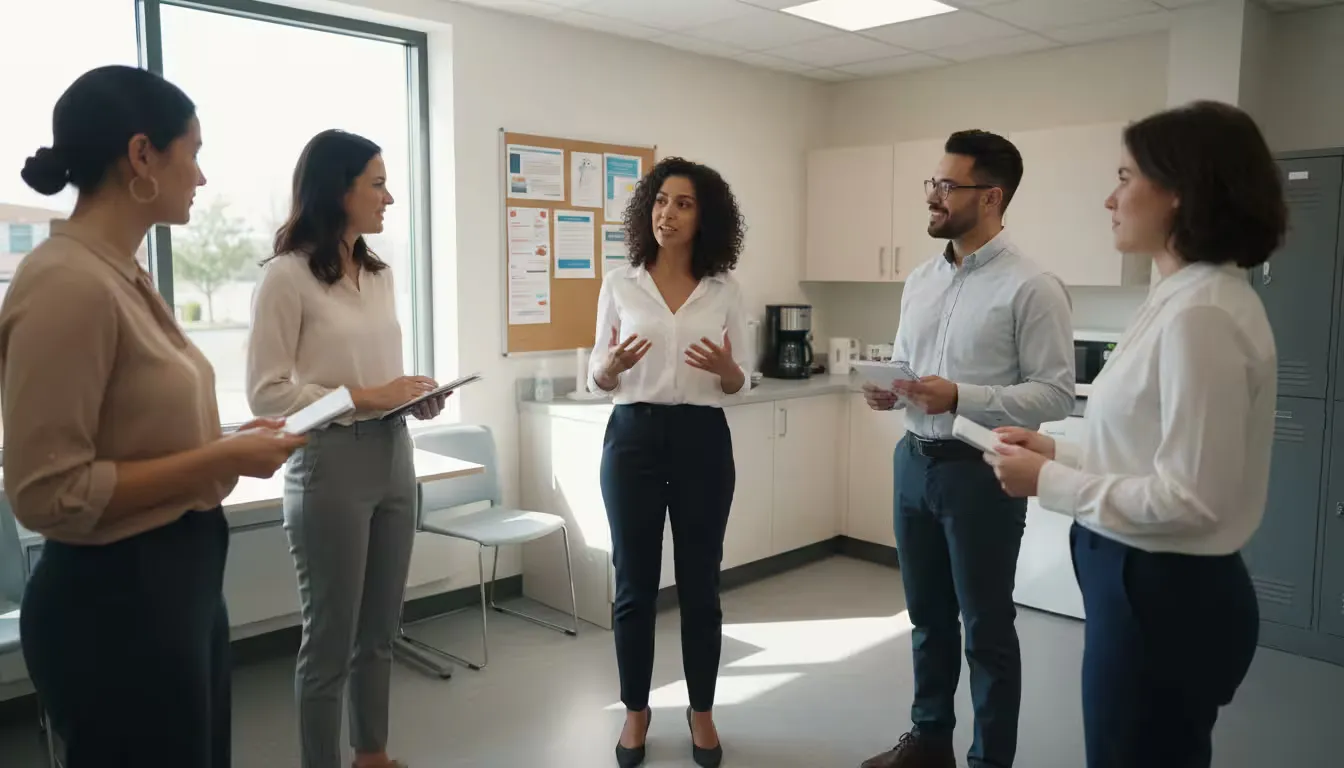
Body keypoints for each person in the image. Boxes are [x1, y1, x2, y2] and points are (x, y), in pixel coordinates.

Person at [0, 65, 306, 767]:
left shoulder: (122, 273)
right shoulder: (65, 283)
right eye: (192, 152)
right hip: (115, 606)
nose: (200, 176)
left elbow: (134, 432)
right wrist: (221, 460)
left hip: (174, 584)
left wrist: (228, 439)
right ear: (142, 155)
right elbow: (50, 491)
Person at [988, 101, 1285, 768]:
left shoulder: (1201, 315)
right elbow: (1150, 448)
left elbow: (1191, 500)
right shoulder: (1183, 298)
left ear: (1181, 191)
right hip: (1143, 581)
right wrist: (1057, 449)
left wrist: (1050, 483)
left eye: (1126, 177)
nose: (1110, 198)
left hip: (1162, 592)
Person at [860, 130, 1076, 768]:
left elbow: (1054, 394)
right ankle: (930, 742)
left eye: (947, 186)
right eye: (932, 183)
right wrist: (891, 386)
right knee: (926, 620)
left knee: (985, 630)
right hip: (913, 463)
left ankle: (989, 760)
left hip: (980, 474)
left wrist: (961, 396)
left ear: (991, 196)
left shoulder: (1033, 285)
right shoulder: (920, 279)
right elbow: (911, 363)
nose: (933, 196)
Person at [246, 129, 447, 768]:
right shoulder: (287, 276)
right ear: (341, 190)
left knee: (381, 632)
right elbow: (267, 395)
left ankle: (373, 755)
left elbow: (374, 375)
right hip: (329, 465)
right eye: (379, 183)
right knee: (329, 642)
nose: (390, 197)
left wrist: (411, 397)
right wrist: (362, 396)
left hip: (395, 451)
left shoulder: (378, 275)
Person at [589, 156, 748, 768]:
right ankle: (636, 712)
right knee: (633, 587)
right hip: (632, 436)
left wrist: (731, 372)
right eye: (660, 200)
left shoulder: (726, 289)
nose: (668, 212)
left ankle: (701, 712)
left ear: (703, 216)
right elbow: (597, 372)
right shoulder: (620, 282)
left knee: (701, 585)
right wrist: (608, 369)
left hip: (703, 438)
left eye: (682, 203)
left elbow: (743, 379)